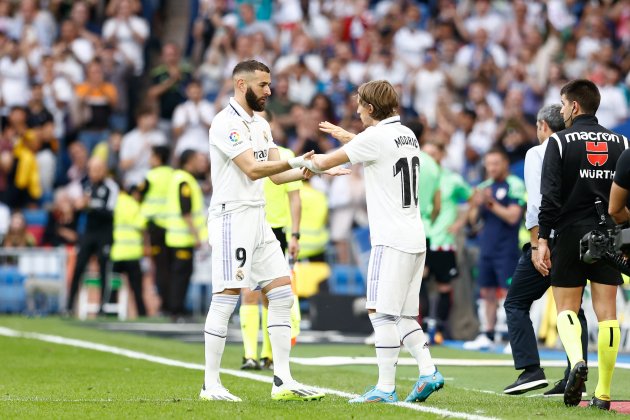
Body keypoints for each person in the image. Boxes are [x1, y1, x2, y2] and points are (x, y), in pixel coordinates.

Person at [201, 60, 344, 402]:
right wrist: (296, 161)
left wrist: (313, 169)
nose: (269, 90)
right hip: (231, 218)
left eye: (269, 84)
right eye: (263, 85)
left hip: (258, 217)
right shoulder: (226, 124)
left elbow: (277, 176)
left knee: (281, 293)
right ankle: (211, 385)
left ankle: (283, 380)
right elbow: (252, 169)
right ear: (241, 85)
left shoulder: (262, 124)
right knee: (227, 297)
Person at [314, 80, 444, 404]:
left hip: (390, 240)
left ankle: (385, 388)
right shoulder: (407, 134)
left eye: (359, 104)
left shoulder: (374, 137)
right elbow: (376, 149)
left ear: (370, 108)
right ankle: (428, 371)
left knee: (380, 314)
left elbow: (326, 162)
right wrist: (349, 137)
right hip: (415, 237)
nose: (356, 110)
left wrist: (298, 164)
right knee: (402, 316)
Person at [535, 79, 628, 410]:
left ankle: (576, 361)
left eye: (562, 103)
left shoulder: (558, 142)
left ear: (574, 106)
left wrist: (542, 239)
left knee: (567, 308)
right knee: (608, 315)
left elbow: (550, 197)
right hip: (610, 233)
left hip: (571, 231)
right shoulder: (621, 141)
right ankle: (603, 393)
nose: (561, 109)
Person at [503, 104, 589, 396]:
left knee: (515, 302)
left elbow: (537, 203)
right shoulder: (578, 150)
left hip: (550, 241)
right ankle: (574, 373)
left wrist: (540, 243)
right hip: (580, 237)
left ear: (542, 126)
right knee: (573, 308)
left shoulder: (538, 152)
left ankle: (530, 370)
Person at [240, 111, 302, 371]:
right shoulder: (242, 153)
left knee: (271, 295)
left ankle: (267, 354)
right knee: (248, 293)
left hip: (275, 230)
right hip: (247, 226)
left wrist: (296, 234)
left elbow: (295, 199)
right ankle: (249, 354)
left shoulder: (284, 155)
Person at [464, 148, 525, 351]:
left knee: (510, 294)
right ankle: (487, 334)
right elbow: (473, 222)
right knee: (487, 291)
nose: (491, 168)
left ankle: (512, 337)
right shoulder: (484, 187)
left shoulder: (515, 185)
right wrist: (475, 205)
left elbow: (513, 217)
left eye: (495, 163)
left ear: (505, 163)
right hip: (486, 248)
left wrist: (489, 202)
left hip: (506, 249)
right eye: (488, 164)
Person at [421, 140, 472, 344]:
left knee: (444, 286)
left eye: (433, 153)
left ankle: (438, 329)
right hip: (421, 236)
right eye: (425, 154)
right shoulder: (417, 177)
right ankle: (422, 327)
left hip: (443, 239)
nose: (429, 158)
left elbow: (472, 197)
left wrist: (460, 222)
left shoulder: (452, 179)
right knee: (418, 283)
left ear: (441, 155)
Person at [66, 157, 119, 314]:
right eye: (91, 170)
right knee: (78, 267)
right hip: (88, 233)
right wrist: (76, 207)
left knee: (104, 268)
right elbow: (78, 205)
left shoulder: (111, 187)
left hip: (105, 233)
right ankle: (69, 306)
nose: (93, 173)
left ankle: (103, 307)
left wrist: (90, 205)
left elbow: (110, 212)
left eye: (96, 170)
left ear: (103, 170)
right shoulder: (86, 185)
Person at [163, 149, 208, 320]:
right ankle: (176, 310)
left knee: (179, 275)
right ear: (189, 161)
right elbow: (186, 212)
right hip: (181, 238)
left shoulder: (180, 178)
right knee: (180, 276)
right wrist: (196, 236)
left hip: (177, 237)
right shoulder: (184, 181)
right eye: (198, 159)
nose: (202, 163)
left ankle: (176, 309)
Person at [139, 145, 173, 316]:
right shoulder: (174, 175)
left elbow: (140, 196)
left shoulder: (150, 176)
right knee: (170, 267)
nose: (149, 159)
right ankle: (172, 304)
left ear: (158, 158)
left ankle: (164, 304)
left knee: (159, 268)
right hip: (172, 226)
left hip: (155, 227)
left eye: (152, 156)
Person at [110, 184, 147, 317]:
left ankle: (110, 312)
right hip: (132, 254)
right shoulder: (135, 206)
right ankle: (142, 313)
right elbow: (141, 225)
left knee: (113, 287)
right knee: (136, 289)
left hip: (117, 253)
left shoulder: (117, 203)